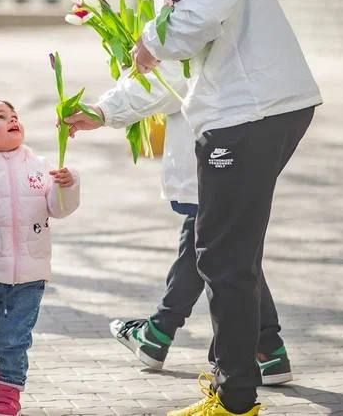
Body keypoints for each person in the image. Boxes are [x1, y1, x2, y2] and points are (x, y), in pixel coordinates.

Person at [61, 0, 322, 415]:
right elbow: (178, 72)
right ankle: (244, 378)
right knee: (229, 253)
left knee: (221, 257)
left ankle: (234, 399)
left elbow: (203, 9)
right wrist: (105, 111)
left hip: (251, 108)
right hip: (245, 107)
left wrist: (153, 39)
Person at [64, 63, 293, 386]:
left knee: (212, 242)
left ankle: (162, 333)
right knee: (230, 244)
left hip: (216, 142)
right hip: (239, 129)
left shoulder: (185, 33)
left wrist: (106, 108)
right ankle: (264, 346)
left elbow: (169, 80)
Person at [0, 99, 81, 416]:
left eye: (14, 115)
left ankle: (8, 397)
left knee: (13, 340)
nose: (12, 119)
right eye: (0, 116)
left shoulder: (38, 165)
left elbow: (59, 208)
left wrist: (68, 185)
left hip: (28, 275)